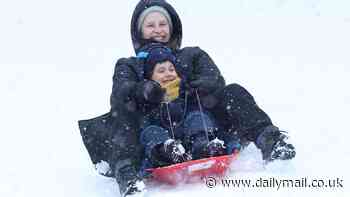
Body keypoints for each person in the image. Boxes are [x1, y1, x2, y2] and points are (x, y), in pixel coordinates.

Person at [78, 0, 296, 196]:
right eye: (150, 25)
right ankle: (128, 174)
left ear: (172, 28)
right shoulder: (129, 64)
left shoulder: (191, 55)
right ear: (139, 31)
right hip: (152, 135)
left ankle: (271, 141)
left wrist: (195, 87)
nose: (157, 30)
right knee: (121, 115)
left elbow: (214, 80)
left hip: (202, 124)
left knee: (233, 92)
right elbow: (120, 94)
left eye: (162, 24)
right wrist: (145, 90)